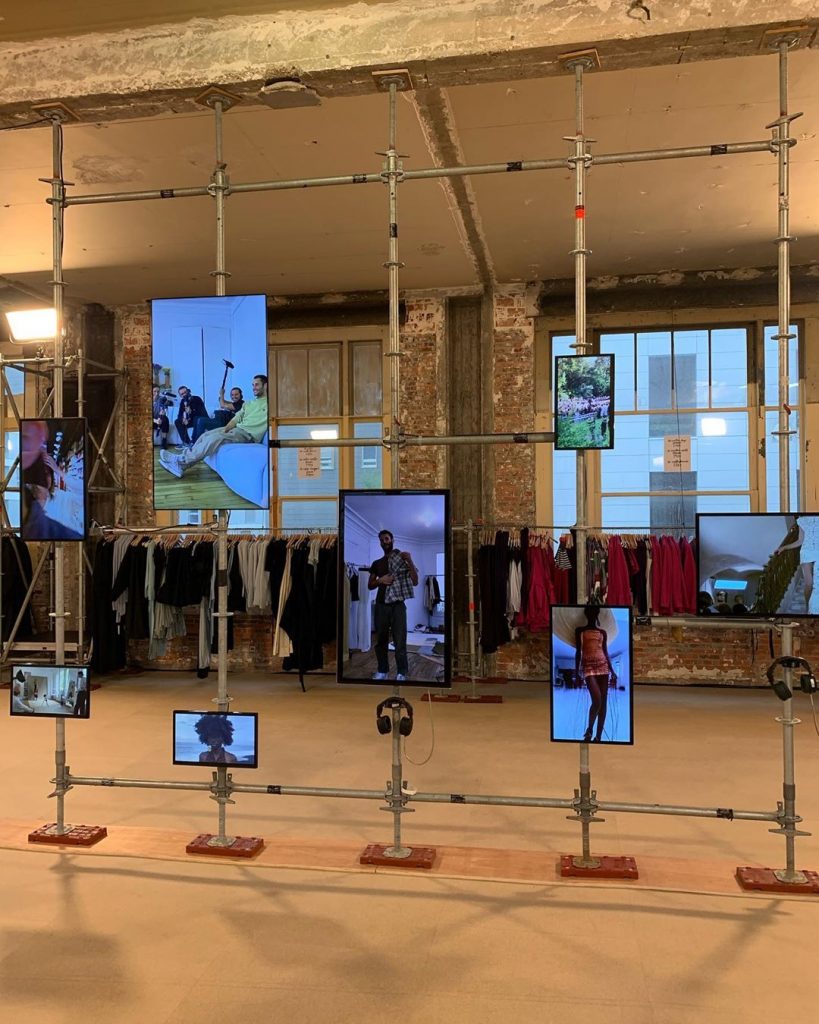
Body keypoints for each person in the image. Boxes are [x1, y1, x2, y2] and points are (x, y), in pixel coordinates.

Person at [159, 375, 268, 479]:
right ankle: (182, 462)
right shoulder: (248, 404)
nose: (254, 387)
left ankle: (182, 461)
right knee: (205, 435)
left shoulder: (271, 404)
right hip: (236, 429)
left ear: (266, 385)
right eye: (253, 385)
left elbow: (221, 406)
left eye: (257, 384)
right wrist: (224, 430)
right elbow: (235, 420)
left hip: (248, 434)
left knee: (214, 438)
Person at [368, 529, 418, 681]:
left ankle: (401, 672)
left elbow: (415, 581)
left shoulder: (402, 560)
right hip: (381, 605)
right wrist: (381, 580)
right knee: (381, 640)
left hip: (398, 606)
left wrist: (410, 560)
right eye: (382, 540)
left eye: (386, 539)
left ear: (392, 540)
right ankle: (382, 670)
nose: (384, 542)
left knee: (400, 640)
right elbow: (370, 585)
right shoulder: (377, 563)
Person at [574, 605, 616, 743]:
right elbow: (578, 652)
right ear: (586, 615)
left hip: (603, 666)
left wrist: (612, 670)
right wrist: (576, 672)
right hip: (588, 667)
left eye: (594, 614)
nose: (592, 616)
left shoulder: (602, 632)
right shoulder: (580, 631)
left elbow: (606, 652)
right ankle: (589, 729)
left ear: (597, 615)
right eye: (590, 614)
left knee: (603, 703)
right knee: (597, 700)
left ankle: (598, 737)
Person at [775, 515, 819, 613]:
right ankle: (808, 607)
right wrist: (784, 547)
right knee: (809, 584)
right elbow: (800, 540)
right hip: (807, 552)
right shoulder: (802, 520)